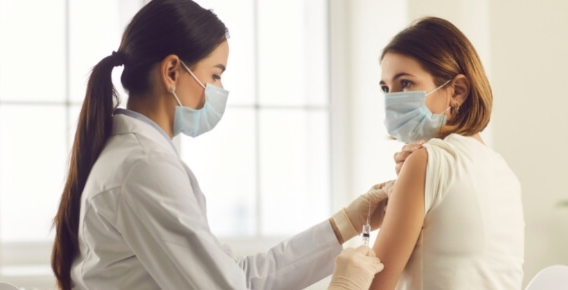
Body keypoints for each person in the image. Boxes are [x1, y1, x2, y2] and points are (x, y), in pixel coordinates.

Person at [50, 1, 390, 289]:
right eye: (215, 74)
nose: (219, 87)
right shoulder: (142, 166)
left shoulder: (135, 156)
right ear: (171, 72)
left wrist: (346, 221)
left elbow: (239, 277)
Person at [370, 17, 525, 289]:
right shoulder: (503, 170)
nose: (391, 100)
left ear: (457, 91)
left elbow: (374, 285)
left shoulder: (427, 161)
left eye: (405, 83)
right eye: (385, 88)